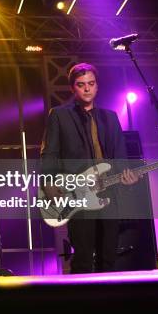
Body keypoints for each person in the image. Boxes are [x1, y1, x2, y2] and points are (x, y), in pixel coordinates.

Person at [40, 63, 138, 273]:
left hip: (109, 192)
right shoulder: (59, 115)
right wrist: (47, 183)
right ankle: (81, 303)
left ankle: (108, 303)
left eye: (91, 84)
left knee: (109, 258)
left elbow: (120, 156)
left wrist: (128, 179)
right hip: (79, 194)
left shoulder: (110, 117)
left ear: (97, 86)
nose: (87, 89)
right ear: (72, 88)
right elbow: (50, 153)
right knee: (83, 258)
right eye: (81, 84)